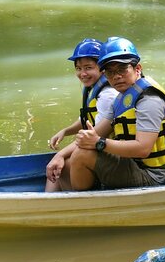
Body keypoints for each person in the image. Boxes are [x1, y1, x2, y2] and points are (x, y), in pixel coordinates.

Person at [64, 37, 165, 190]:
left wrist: (99, 142)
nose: (116, 76)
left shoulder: (149, 101)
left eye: (122, 69)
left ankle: (83, 204)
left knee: (81, 156)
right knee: (72, 158)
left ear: (137, 68)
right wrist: (79, 143)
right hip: (132, 162)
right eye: (110, 72)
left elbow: (142, 149)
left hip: (150, 174)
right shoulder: (123, 96)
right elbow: (101, 130)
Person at [45, 38, 119, 191]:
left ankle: (64, 203)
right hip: (98, 145)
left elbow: (97, 131)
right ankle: (49, 201)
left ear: (102, 68)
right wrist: (66, 131)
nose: (82, 73)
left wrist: (60, 155)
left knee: (64, 164)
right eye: (78, 68)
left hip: (115, 150)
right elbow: (86, 118)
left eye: (88, 67)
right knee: (59, 162)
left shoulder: (108, 94)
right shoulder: (93, 88)